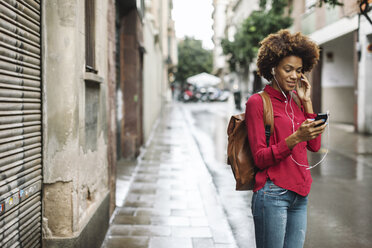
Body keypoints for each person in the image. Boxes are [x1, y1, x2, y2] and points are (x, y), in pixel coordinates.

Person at [245, 30, 327, 248]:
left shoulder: (297, 103)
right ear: (273, 68)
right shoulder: (257, 102)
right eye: (288, 69)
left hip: (300, 195)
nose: (294, 76)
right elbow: (260, 158)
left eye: (298, 71)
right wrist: (294, 138)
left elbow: (314, 145)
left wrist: (307, 102)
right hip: (273, 194)